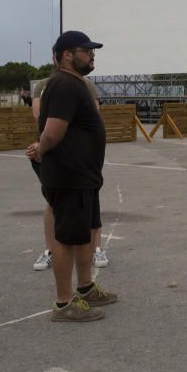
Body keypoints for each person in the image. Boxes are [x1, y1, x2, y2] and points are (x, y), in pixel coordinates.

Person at [26, 30, 118, 322]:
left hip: (82, 176)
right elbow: (52, 131)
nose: (92, 55)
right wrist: (41, 147)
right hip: (68, 176)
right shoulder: (65, 84)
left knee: (83, 235)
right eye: (86, 50)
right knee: (66, 238)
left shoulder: (73, 83)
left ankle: (86, 287)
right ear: (67, 54)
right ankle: (64, 304)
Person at [30, 72, 110, 271]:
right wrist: (44, 143)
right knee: (53, 202)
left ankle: (96, 248)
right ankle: (50, 251)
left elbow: (93, 115)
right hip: (52, 151)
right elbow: (39, 116)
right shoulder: (42, 85)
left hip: (81, 155)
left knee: (91, 200)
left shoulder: (86, 84)